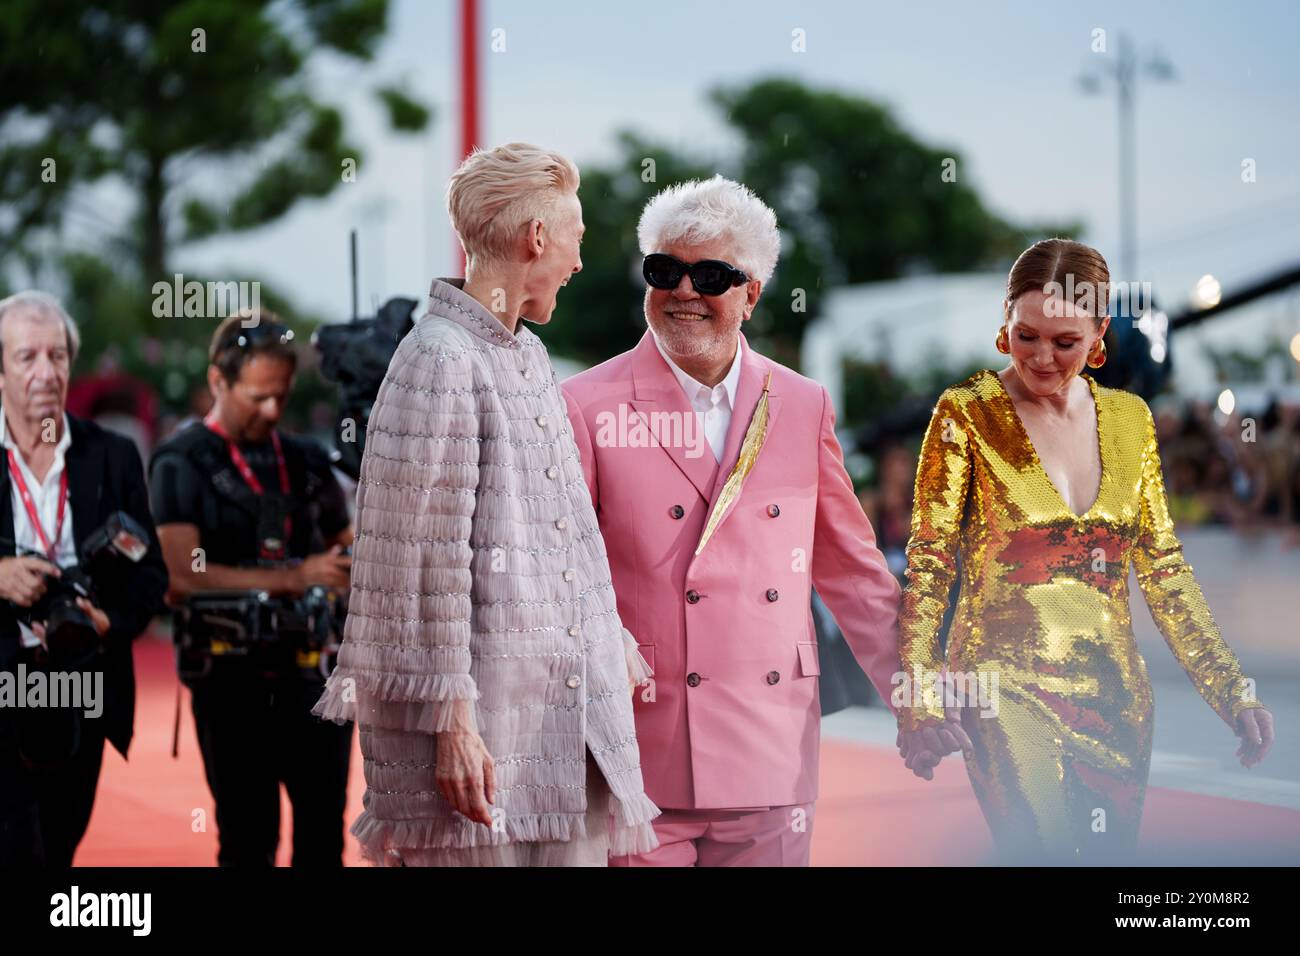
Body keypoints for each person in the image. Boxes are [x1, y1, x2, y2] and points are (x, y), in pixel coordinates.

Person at [311, 142, 659, 866]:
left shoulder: (527, 354)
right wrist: (451, 723)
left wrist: (609, 637)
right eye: (577, 240)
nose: (578, 262)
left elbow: (571, 530)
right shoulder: (440, 358)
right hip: (481, 749)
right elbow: (419, 567)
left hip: (559, 731)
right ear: (537, 238)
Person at [561, 176, 925, 867]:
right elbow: (559, 577)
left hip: (770, 754)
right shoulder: (583, 403)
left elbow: (851, 570)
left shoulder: (803, 402)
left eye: (713, 275)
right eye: (665, 270)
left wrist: (917, 697)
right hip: (636, 755)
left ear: (752, 293)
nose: (685, 291)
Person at [896, 238, 1275, 863]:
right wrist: (919, 702)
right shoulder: (964, 414)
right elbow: (930, 567)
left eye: (1065, 342)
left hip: (1115, 696)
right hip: (1001, 690)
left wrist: (1233, 692)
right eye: (1027, 335)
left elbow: (1164, 569)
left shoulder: (1132, 420)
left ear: (1099, 332)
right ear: (1005, 322)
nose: (1042, 358)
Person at [149, 311, 355, 866]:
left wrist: (348, 563)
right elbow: (180, 576)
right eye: (258, 397)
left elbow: (350, 542)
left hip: (316, 676)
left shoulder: (306, 459)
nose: (271, 411)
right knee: (247, 838)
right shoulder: (180, 461)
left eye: (281, 397)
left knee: (323, 839)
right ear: (219, 380)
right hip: (230, 682)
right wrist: (297, 577)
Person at [0, 290, 168, 866]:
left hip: (81, 684)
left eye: (58, 356)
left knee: (60, 845)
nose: (46, 373)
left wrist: (109, 619)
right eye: (27, 358)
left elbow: (151, 575)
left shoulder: (113, 455)